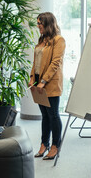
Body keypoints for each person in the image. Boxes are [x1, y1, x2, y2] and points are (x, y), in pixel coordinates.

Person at [28, 12, 66, 160]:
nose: (38, 26)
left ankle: (55, 146)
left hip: (50, 83)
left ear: (48, 24)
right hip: (38, 82)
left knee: (54, 115)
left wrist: (43, 81)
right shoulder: (42, 39)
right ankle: (44, 144)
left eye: (40, 23)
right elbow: (35, 62)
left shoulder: (59, 40)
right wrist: (32, 78)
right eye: (37, 23)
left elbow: (55, 63)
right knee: (44, 115)